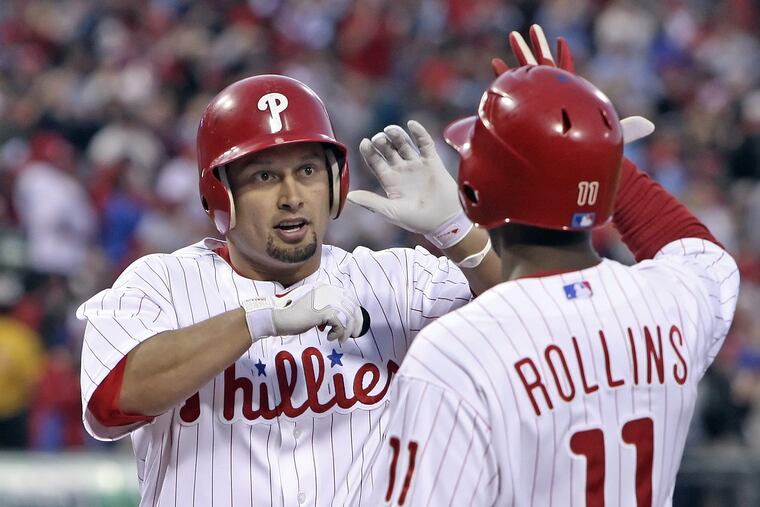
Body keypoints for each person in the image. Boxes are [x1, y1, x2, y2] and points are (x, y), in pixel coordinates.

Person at [75, 73, 501, 506]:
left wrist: (459, 233)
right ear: (220, 195)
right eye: (264, 176)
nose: (292, 196)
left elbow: (533, 323)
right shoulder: (162, 284)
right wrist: (262, 317)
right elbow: (110, 403)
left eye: (309, 171)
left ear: (336, 185)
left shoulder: (398, 279)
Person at [371, 27, 740, 506]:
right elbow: (697, 251)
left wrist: (455, 229)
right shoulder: (670, 303)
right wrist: (589, 144)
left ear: (473, 196)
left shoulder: (455, 351)